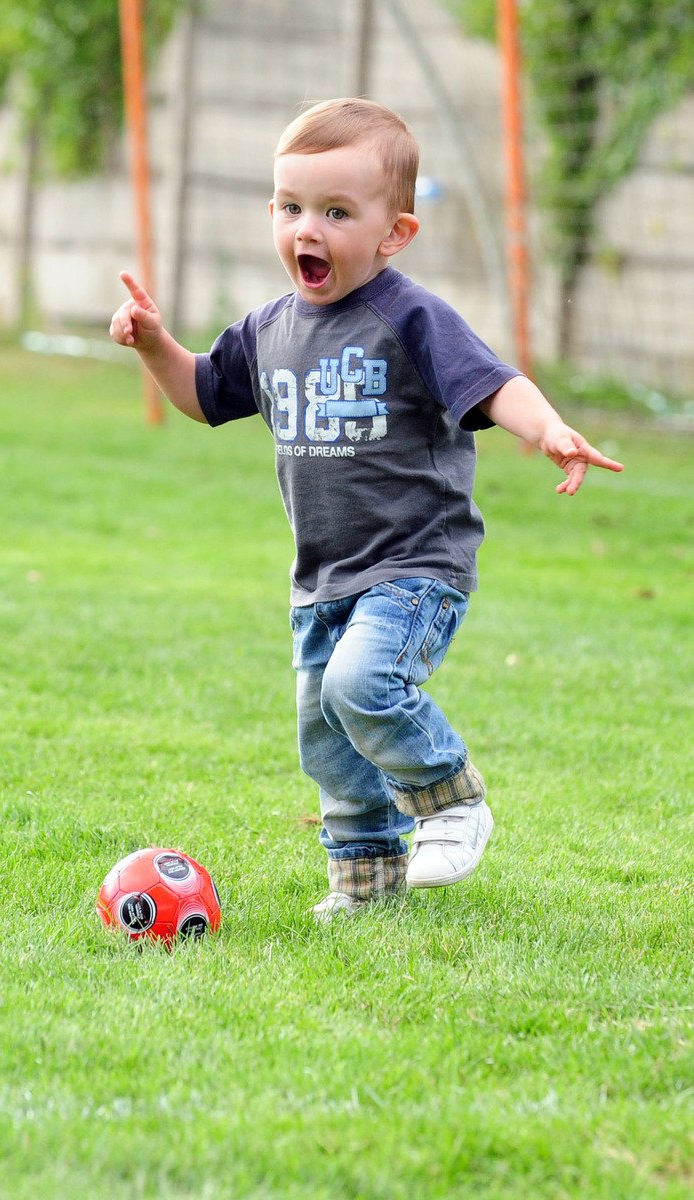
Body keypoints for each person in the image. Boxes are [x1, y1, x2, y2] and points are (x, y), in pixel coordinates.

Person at [109, 98, 624, 920]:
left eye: (335, 212)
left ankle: (451, 799)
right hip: (322, 576)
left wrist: (550, 428)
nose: (306, 228)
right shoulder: (269, 329)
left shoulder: (408, 317)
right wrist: (154, 347)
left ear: (394, 234)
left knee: (362, 683)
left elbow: (490, 384)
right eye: (290, 207)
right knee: (327, 735)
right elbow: (204, 396)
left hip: (415, 564)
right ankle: (365, 884)